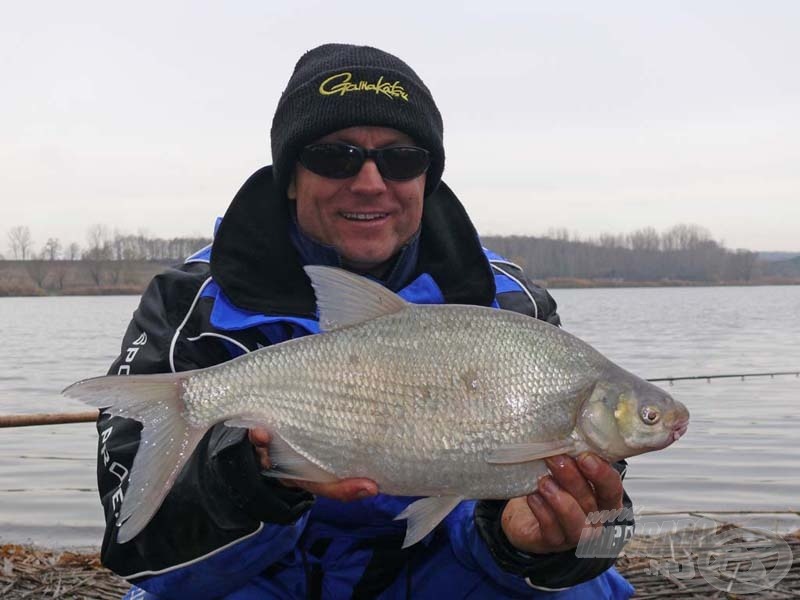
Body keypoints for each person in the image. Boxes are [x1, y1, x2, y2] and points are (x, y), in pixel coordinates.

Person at [97, 43, 635, 599]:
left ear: (426, 177)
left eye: (402, 158)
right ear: (289, 176)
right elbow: (135, 552)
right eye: (336, 156)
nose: (371, 182)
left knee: (593, 592)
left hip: (438, 568)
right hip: (263, 573)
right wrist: (249, 482)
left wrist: (539, 547)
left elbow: (613, 528)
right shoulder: (193, 304)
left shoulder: (514, 305)